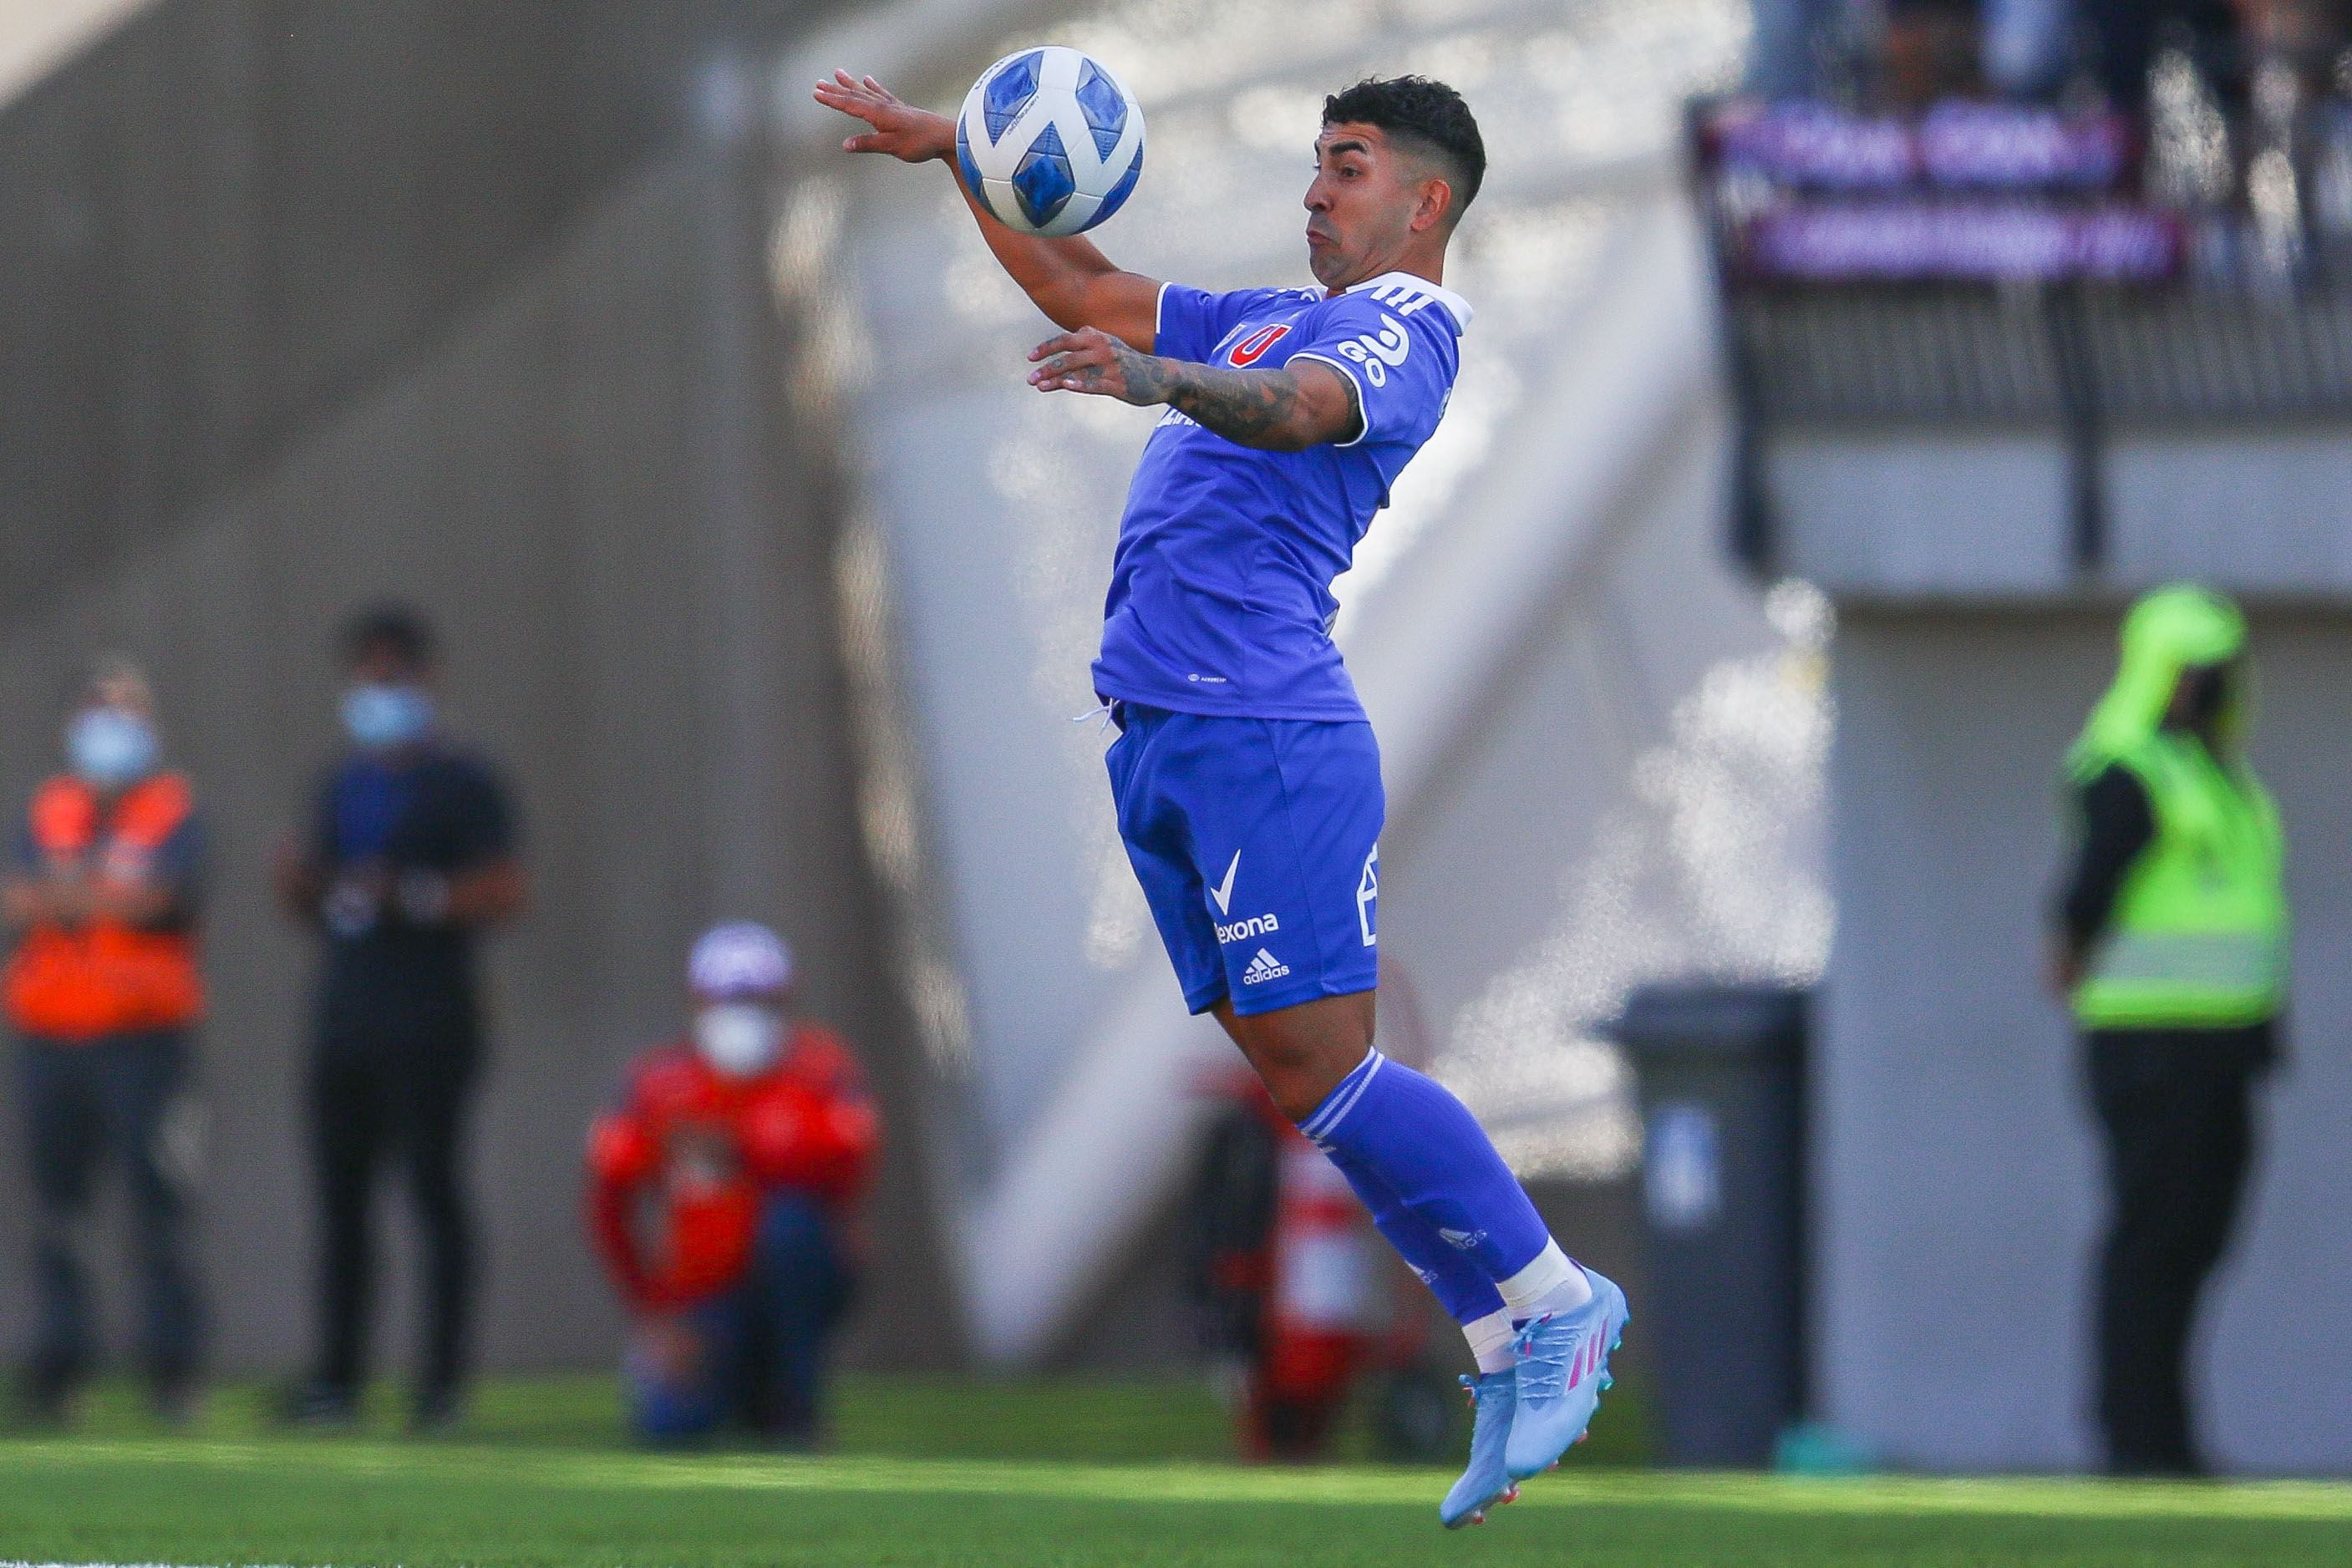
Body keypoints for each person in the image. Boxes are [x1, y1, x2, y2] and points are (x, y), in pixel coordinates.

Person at [816, 69, 1626, 1526]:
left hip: (1266, 729)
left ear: (1427, 200)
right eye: (1316, 162)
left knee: (1338, 1066)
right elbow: (1088, 285)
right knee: (1313, 1090)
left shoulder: (1404, 328)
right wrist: (970, 153)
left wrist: (1165, 384)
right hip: (1172, 735)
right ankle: (1507, 1337)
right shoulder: (1282, 306)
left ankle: (1557, 1300)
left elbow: (1298, 412)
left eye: (1350, 165)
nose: (1316, 189)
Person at [2049, 585, 2285, 1476]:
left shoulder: (2220, 777)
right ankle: (2136, 1440)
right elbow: (2085, 892)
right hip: (2152, 1047)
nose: (2213, 687)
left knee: (2196, 1239)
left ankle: (2167, 1436)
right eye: (2198, 671)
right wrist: (2068, 949)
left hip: (2221, 1048)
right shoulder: (2131, 767)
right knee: (2151, 1239)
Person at [274, 604, 525, 1432]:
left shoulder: (465, 780)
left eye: (394, 675)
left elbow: (503, 890)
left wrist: (413, 895)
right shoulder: (342, 782)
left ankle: (441, 1383)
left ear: (426, 678)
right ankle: (338, 1379)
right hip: (347, 1013)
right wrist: (304, 886)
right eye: (366, 676)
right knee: (341, 1203)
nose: (378, 691)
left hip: (431, 1016)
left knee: (433, 1194)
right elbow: (316, 891)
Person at [3, 657, 206, 1423]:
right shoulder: (50, 808)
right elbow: (19, 899)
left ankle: (173, 1373)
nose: (108, 728)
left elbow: (162, 898)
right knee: (58, 1213)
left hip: (143, 1038)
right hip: (52, 1033)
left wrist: (76, 897)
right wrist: (100, 897)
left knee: (161, 1207)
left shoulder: (172, 808)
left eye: (123, 711)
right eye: (96, 710)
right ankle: (60, 1371)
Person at [587, 923, 877, 1447]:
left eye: (757, 999)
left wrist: (746, 1151)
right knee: (671, 1426)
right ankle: (743, 1393)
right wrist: (655, 1312)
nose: (741, 1013)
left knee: (790, 1228)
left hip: (787, 1285)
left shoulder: (820, 1071)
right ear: (697, 1001)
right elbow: (608, 1203)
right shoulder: (657, 1085)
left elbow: (849, 1170)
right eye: (727, 998)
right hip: (702, 1294)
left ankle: (796, 1402)